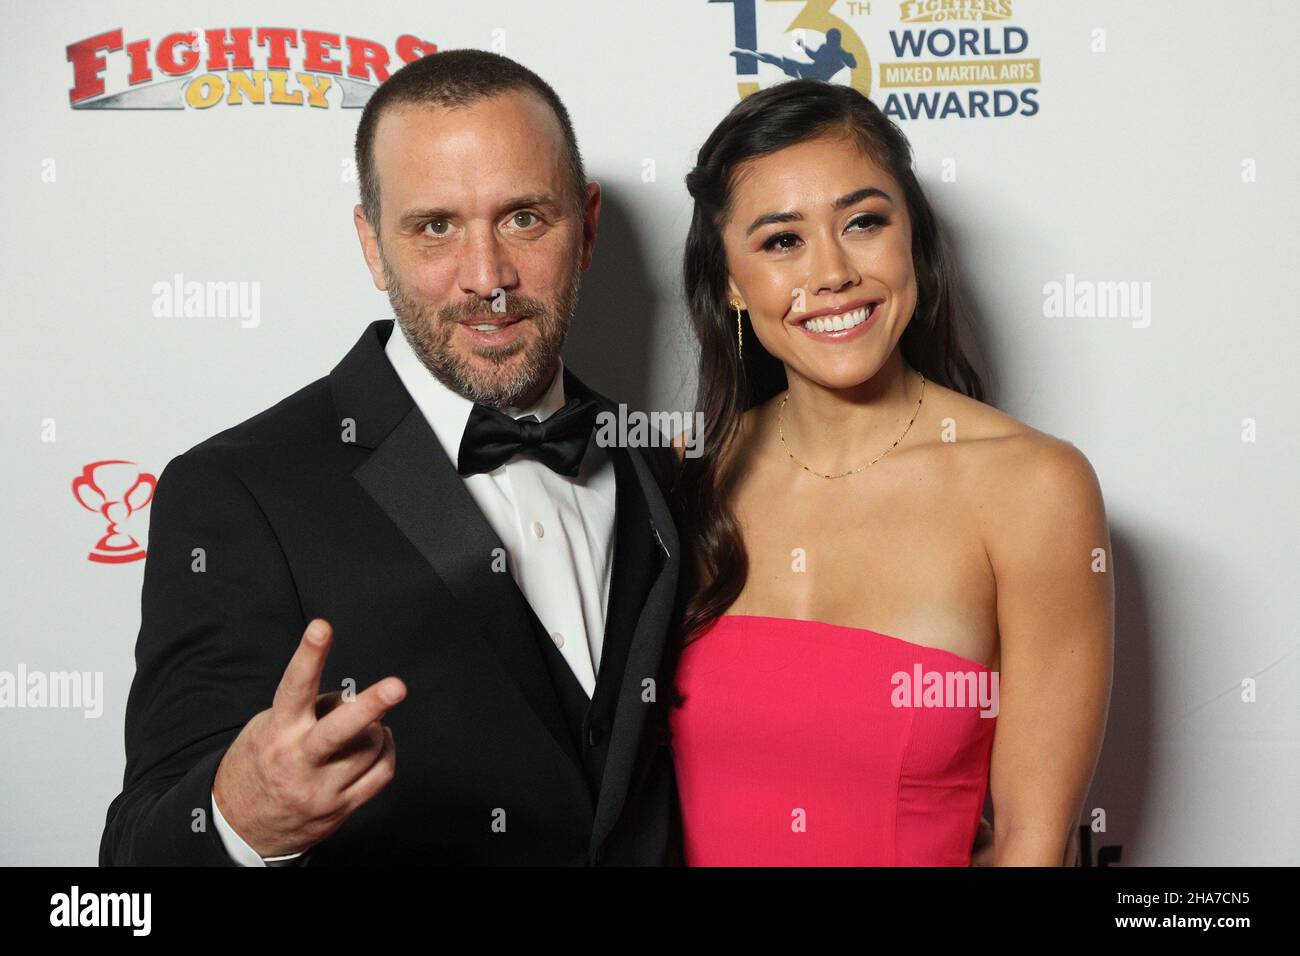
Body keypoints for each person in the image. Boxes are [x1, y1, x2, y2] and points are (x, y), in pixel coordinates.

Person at [99, 49, 682, 866]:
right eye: (436, 226)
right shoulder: (236, 493)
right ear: (373, 246)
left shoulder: (662, 465)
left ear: (585, 229)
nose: (489, 279)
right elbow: (133, 861)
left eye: (524, 218)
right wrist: (242, 818)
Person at [666, 79, 1114, 865]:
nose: (832, 272)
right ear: (732, 283)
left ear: (912, 236)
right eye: (781, 241)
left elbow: (1031, 846)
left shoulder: (1034, 487)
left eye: (863, 222)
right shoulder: (683, 477)